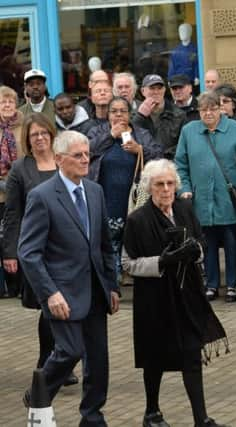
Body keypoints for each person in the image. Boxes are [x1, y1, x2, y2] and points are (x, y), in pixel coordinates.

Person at [18, 130, 120, 425]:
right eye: (78, 155)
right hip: (62, 293)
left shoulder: (95, 191)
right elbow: (29, 253)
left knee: (98, 361)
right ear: (60, 159)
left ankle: (92, 417)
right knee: (70, 351)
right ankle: (39, 394)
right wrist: (49, 292)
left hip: (96, 292)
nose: (85, 159)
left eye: (87, 153)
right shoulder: (42, 197)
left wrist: (111, 285)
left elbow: (104, 245)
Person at [122, 159, 229, 427]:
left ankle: (201, 419)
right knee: (154, 357)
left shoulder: (184, 209)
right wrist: (161, 261)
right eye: (160, 184)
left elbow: (201, 240)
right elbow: (127, 263)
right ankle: (152, 412)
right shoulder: (138, 219)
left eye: (170, 183)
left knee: (192, 354)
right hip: (154, 299)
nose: (166, 189)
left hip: (187, 294)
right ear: (149, 186)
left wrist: (197, 252)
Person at [2, 113, 79, 385]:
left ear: (52, 135)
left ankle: (58, 359)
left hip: (67, 247)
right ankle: (52, 359)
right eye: (34, 135)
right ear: (28, 139)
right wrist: (9, 252)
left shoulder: (63, 162)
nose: (40, 138)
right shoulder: (20, 169)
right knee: (49, 304)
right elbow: (12, 214)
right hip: (37, 249)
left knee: (65, 303)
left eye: (44, 133)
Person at [174, 91, 236, 302]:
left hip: (228, 199)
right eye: (204, 109)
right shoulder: (189, 131)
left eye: (213, 108)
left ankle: (232, 285)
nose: (208, 113)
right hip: (201, 199)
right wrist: (184, 187)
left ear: (221, 108)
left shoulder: (235, 129)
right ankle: (211, 285)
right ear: (198, 111)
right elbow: (180, 165)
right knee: (206, 244)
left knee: (232, 242)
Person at [87, 97, 163, 280]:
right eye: (114, 111)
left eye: (123, 111)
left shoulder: (141, 134)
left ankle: (133, 274)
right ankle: (113, 280)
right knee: (109, 240)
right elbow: (86, 151)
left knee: (132, 239)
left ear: (130, 114)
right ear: (108, 114)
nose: (119, 115)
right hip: (106, 197)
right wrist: (110, 136)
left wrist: (140, 150)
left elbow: (159, 155)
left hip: (135, 198)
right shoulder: (97, 131)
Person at [0, 85, 25, 298]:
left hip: (20, 190)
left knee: (20, 235)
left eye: (10, 102)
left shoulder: (24, 125)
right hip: (0, 193)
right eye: (2, 102)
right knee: (3, 238)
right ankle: (7, 286)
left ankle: (21, 284)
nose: (7, 105)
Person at [133, 74, 187, 159]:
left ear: (164, 90)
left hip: (170, 165)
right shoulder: (135, 115)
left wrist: (162, 157)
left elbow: (183, 144)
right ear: (143, 91)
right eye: (152, 88)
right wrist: (140, 116)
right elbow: (131, 140)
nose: (156, 92)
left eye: (159, 88)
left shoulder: (179, 115)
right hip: (145, 166)